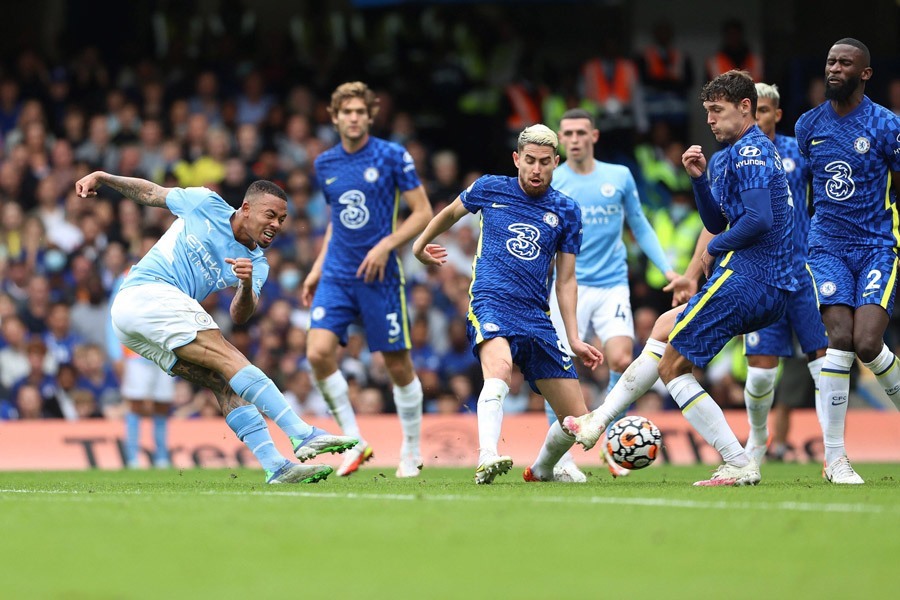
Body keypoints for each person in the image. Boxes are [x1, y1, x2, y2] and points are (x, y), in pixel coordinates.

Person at [567, 70, 795, 487]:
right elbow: (715, 218)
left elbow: (759, 220)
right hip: (749, 278)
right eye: (706, 111)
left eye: (717, 111)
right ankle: (596, 421)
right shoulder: (729, 155)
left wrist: (713, 247)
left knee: (673, 367)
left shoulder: (751, 153)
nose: (709, 120)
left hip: (753, 278)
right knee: (662, 327)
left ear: (745, 108)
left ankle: (738, 460)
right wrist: (699, 181)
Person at [74, 171, 358, 484]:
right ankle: (301, 432)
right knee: (226, 353)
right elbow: (152, 193)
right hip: (147, 291)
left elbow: (240, 314)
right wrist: (103, 176)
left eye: (282, 218)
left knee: (222, 380)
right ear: (246, 209)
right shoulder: (204, 202)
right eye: (271, 215)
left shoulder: (258, 263)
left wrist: (246, 284)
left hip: (135, 323)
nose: (277, 224)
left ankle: (275, 465)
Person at [412, 124, 603, 484]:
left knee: (580, 423)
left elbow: (565, 280)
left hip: (535, 316)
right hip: (491, 302)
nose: (536, 169)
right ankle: (487, 456)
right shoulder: (490, 188)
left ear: (556, 163)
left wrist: (574, 338)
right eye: (529, 160)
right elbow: (451, 213)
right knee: (499, 371)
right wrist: (419, 244)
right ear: (517, 159)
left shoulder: (567, 211)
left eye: (544, 162)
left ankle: (545, 467)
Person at [302, 81, 433, 478]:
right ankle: (354, 441)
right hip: (338, 273)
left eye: (361, 111)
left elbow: (423, 212)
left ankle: (410, 450)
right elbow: (335, 223)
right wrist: (316, 268)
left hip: (380, 275)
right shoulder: (325, 163)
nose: (354, 118)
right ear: (335, 116)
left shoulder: (392, 155)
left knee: (396, 364)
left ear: (371, 116)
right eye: (347, 112)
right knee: (317, 353)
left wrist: (386, 246)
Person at [548, 108, 677, 479]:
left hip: (611, 283)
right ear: (561, 139)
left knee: (621, 359)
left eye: (579, 133)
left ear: (594, 136)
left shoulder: (618, 176)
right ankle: (561, 456)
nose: (573, 140)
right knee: (558, 368)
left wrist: (666, 268)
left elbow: (639, 224)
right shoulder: (553, 180)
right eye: (567, 134)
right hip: (567, 285)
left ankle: (607, 441)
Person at [794, 38, 900, 484]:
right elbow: (799, 191)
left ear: (865, 73)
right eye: (830, 62)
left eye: (845, 63)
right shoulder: (808, 125)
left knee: (868, 343)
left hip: (877, 245)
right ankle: (835, 458)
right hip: (827, 248)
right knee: (837, 338)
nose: (834, 69)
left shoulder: (886, 124)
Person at [739, 83, 828, 464]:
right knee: (760, 375)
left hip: (803, 271)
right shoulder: (738, 158)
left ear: (776, 114)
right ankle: (757, 443)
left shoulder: (798, 152)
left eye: (763, 111)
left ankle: (835, 453)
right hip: (762, 276)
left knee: (824, 363)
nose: (757, 118)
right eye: (752, 111)